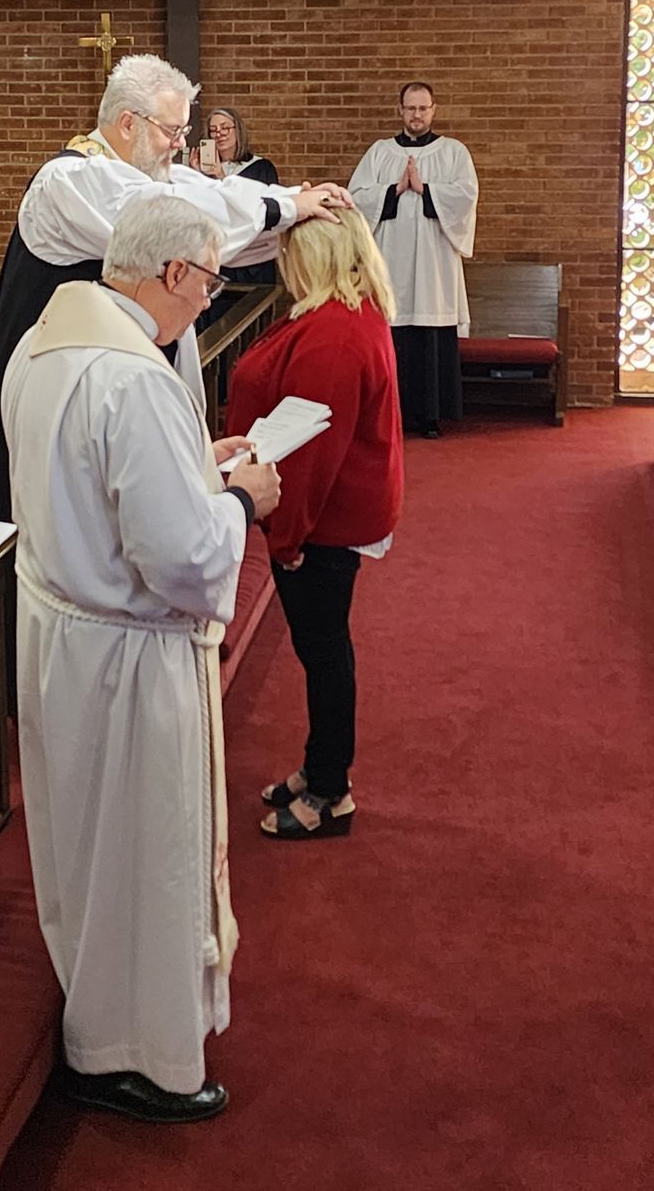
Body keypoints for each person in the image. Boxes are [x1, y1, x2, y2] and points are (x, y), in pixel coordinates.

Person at [0, 56, 350, 826]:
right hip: (63, 403)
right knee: (63, 548)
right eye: (170, 130)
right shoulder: (70, 181)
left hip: (104, 400)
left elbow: (201, 200)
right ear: (126, 123)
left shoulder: (144, 178)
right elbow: (171, 225)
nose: (180, 146)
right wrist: (284, 205)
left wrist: (292, 205)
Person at [2, 199, 281, 1122]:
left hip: (60, 638)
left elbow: (85, 478)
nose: (205, 303)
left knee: (84, 849)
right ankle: (136, 1057)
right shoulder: (136, 379)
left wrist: (195, 461)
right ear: (169, 275)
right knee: (140, 854)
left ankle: (97, 1026)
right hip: (127, 657)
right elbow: (186, 560)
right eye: (205, 283)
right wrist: (242, 499)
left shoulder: (41, 347)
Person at [226, 208, 403, 840]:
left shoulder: (333, 334)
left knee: (325, 653)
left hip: (321, 523)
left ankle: (332, 790)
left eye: (290, 252)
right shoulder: (334, 314)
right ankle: (319, 767)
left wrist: (287, 536)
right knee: (322, 650)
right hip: (323, 515)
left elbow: (310, 453)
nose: (282, 264)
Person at [348, 81, 479, 438]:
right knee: (393, 334)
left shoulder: (453, 153)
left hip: (435, 264)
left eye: (423, 108)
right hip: (391, 260)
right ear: (400, 110)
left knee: (429, 334)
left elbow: (467, 196)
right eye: (410, 108)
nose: (416, 115)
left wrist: (426, 190)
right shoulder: (379, 152)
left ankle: (430, 416)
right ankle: (390, 415)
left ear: (433, 110)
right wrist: (394, 190)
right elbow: (355, 196)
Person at [191, 106, 281, 300]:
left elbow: (254, 210)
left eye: (225, 128)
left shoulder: (261, 168)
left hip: (251, 261)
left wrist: (221, 176)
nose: (219, 134)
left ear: (237, 130)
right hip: (217, 261)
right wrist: (197, 176)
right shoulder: (203, 174)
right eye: (213, 131)